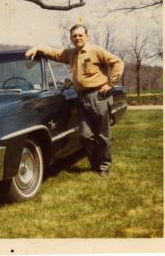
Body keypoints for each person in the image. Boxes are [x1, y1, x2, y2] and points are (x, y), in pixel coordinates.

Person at [25, 24, 124, 176]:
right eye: (74, 36)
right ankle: (96, 162)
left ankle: (103, 166)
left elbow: (118, 63)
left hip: (99, 97)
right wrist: (37, 48)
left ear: (87, 36)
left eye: (80, 35)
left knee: (103, 135)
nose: (77, 38)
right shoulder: (71, 53)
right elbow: (54, 53)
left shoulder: (96, 50)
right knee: (85, 136)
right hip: (82, 98)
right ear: (71, 38)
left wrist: (110, 84)